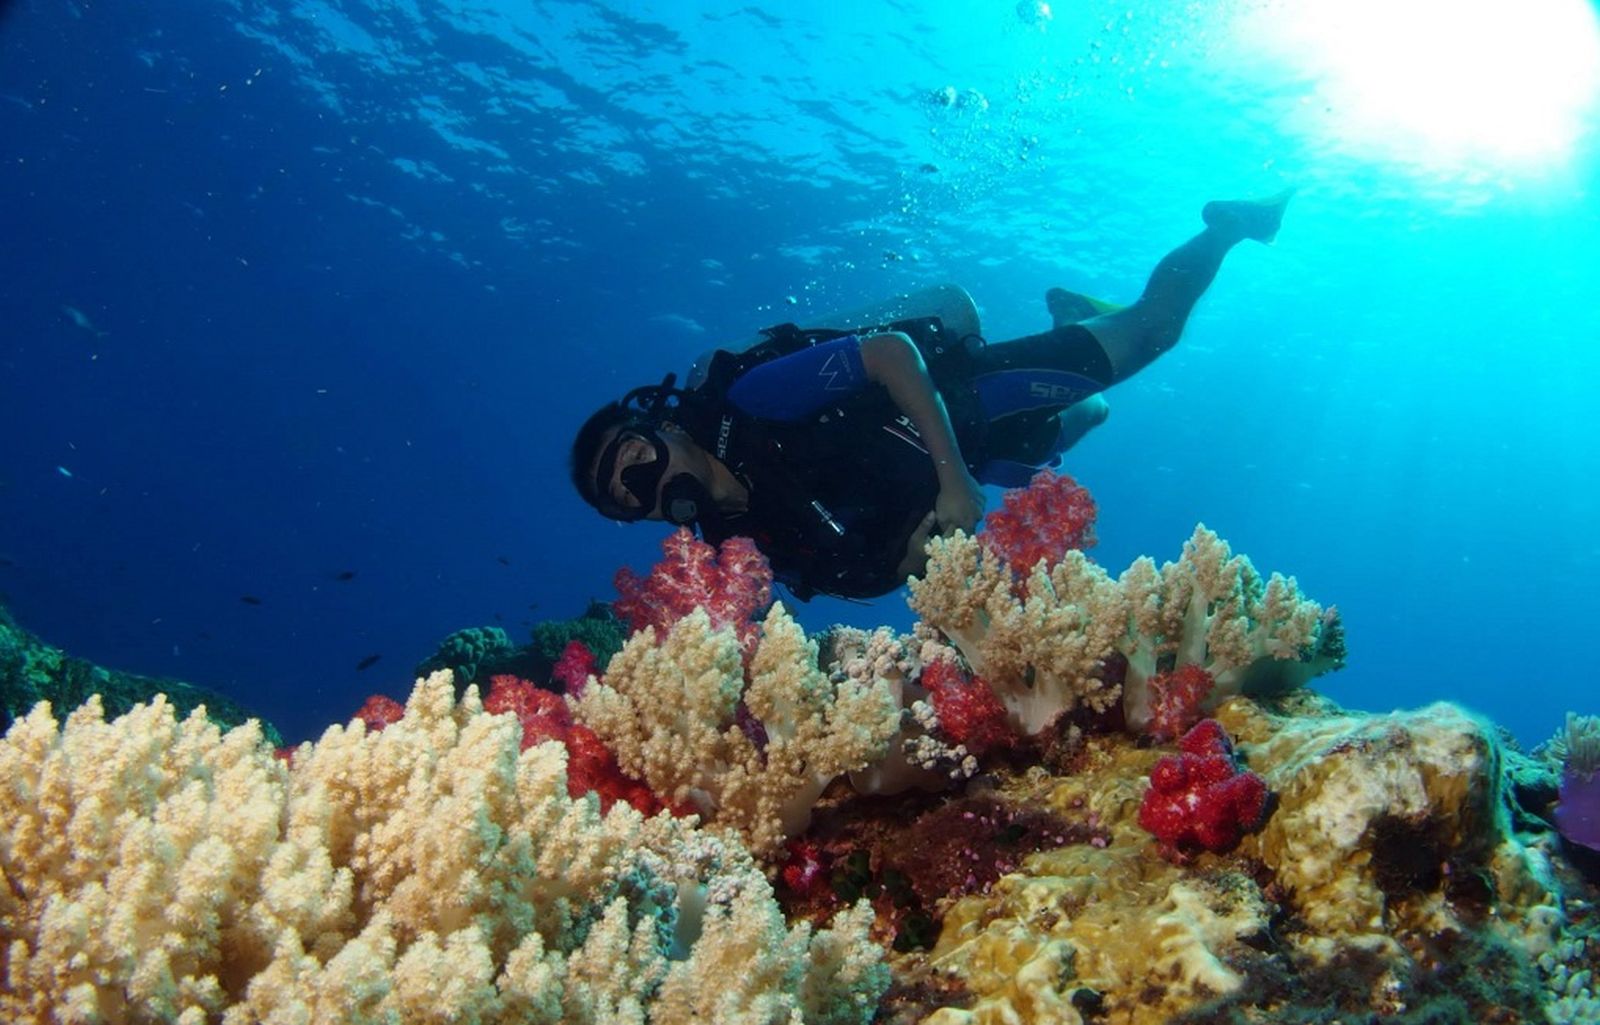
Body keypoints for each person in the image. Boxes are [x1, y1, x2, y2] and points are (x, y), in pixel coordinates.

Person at [570, 193, 1292, 601]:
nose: (645, 484)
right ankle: (1072, 318)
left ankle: (1226, 228)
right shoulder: (735, 546)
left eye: (633, 457)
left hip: (965, 403)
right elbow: (852, 573)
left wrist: (949, 479)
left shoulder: (753, 402)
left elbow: (890, 353)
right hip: (977, 469)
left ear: (660, 423)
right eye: (626, 496)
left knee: (1152, 333)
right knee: (1092, 414)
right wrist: (919, 553)